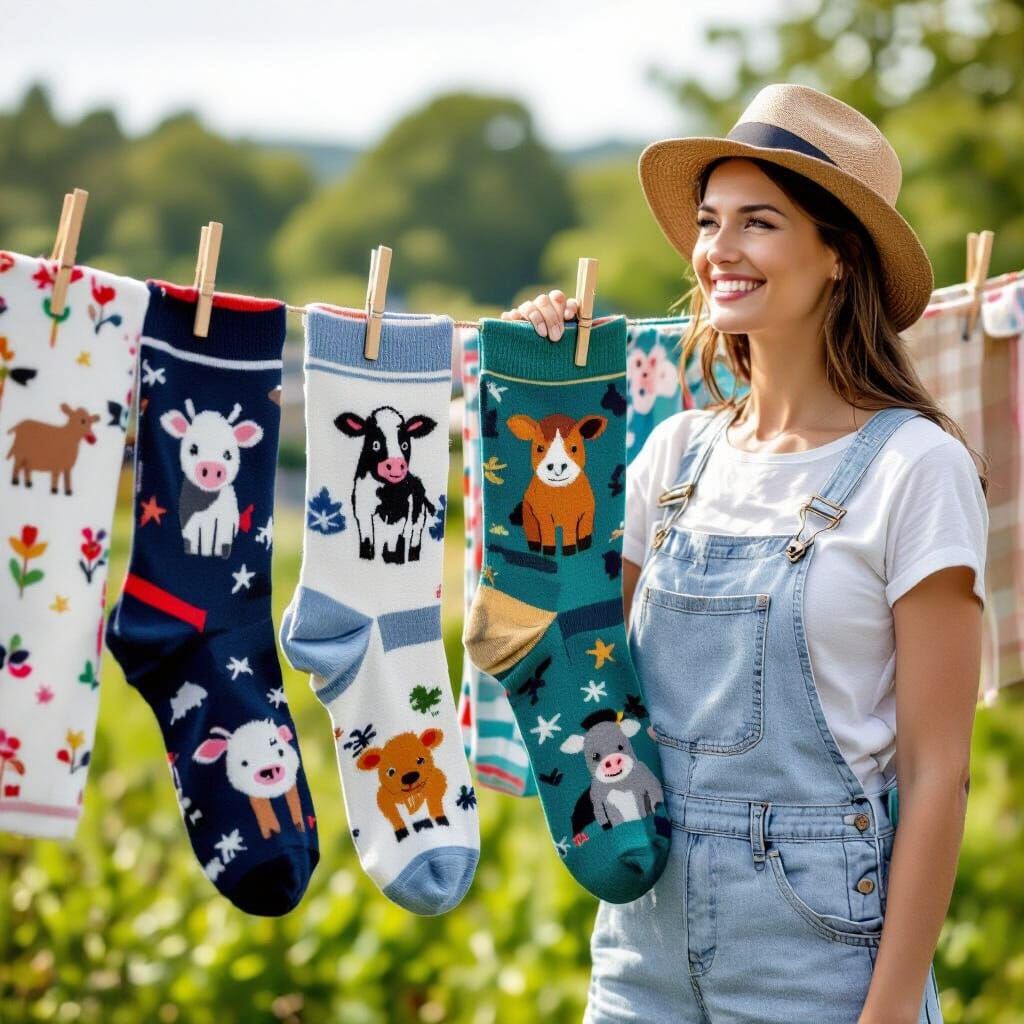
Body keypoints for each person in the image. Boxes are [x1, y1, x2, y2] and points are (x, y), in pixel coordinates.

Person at [503, 83, 987, 1024]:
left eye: (758, 222)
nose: (719, 248)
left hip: (820, 956)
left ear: (840, 255)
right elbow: (568, 648)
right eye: (709, 221)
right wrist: (535, 390)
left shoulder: (914, 468)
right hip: (641, 948)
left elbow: (939, 773)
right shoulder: (673, 454)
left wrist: (891, 1009)